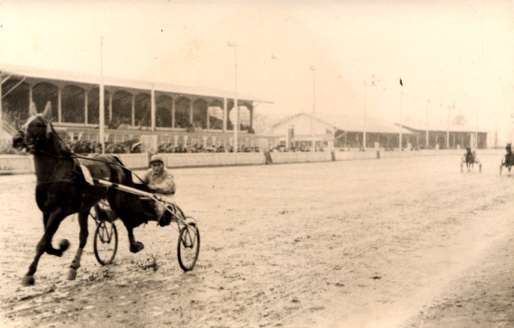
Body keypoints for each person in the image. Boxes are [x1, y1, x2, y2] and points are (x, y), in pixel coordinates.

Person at [142, 154, 176, 226]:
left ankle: (164, 216)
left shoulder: (168, 174)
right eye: (154, 165)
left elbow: (167, 186)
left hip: (166, 195)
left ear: (163, 165)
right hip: (152, 196)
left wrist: (153, 187)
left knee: (160, 202)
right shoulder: (148, 173)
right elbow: (141, 182)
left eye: (158, 165)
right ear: (151, 166)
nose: (156, 168)